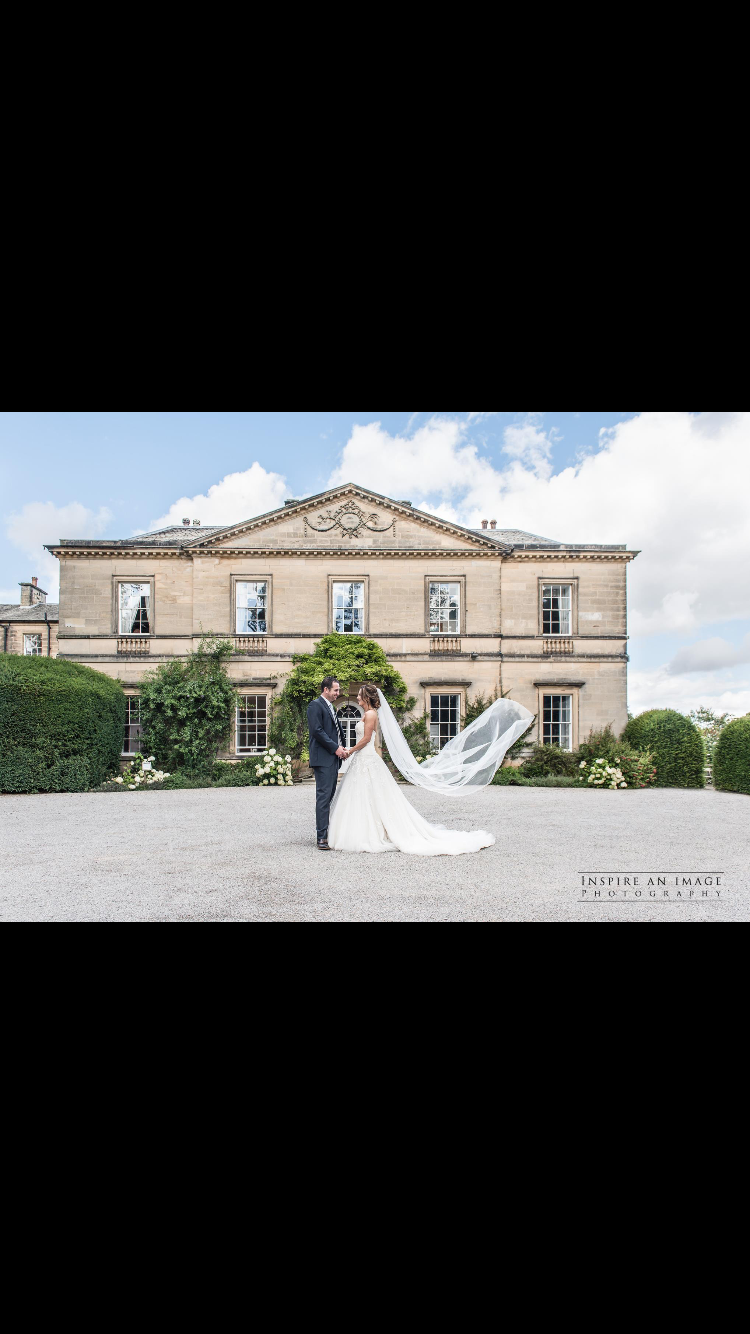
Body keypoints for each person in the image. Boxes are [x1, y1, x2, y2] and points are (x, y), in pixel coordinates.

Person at [327, 684, 497, 856]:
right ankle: (363, 830)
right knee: (363, 796)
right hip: (362, 760)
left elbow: (367, 739)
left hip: (367, 758)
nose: (357, 698)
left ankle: (371, 833)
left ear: (366, 697)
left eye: (360, 695)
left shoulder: (371, 714)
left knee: (371, 795)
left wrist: (350, 750)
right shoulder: (366, 714)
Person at [307, 677, 348, 851]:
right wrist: (335, 748)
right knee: (324, 797)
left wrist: (341, 748)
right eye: (335, 690)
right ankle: (321, 836)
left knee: (329, 795)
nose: (338, 693)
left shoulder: (330, 707)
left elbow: (335, 731)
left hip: (332, 758)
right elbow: (317, 731)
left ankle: (326, 831)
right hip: (323, 758)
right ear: (326, 690)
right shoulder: (315, 705)